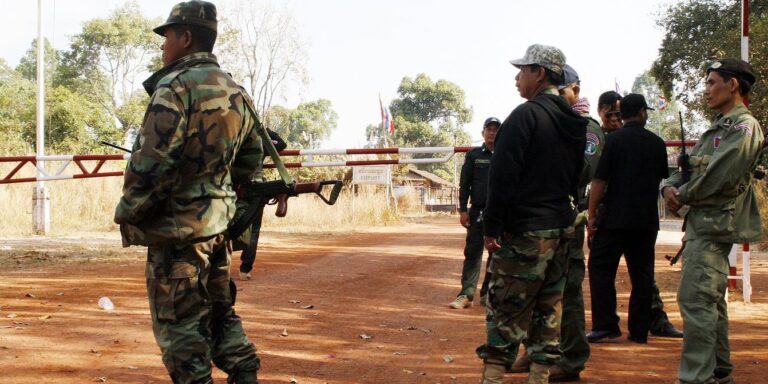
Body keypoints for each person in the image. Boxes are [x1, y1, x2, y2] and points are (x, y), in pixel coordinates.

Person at [113, 2, 262, 383]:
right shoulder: (237, 92)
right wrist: (220, 199)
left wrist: (130, 214)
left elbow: (150, 165)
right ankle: (245, 373)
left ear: (186, 37)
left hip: (178, 236)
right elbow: (252, 158)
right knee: (219, 313)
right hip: (217, 233)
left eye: (168, 37)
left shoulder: (174, 87)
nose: (164, 46)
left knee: (179, 326)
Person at [477, 44, 587, 384]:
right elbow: (578, 177)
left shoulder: (525, 115)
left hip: (525, 234)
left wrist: (491, 228)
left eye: (522, 71)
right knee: (548, 314)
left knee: (506, 315)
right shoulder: (575, 121)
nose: (516, 77)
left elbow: (503, 177)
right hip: (560, 233)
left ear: (540, 73)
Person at [663, 58, 763, 384]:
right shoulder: (715, 129)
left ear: (732, 85)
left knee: (695, 300)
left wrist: (684, 194)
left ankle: (696, 378)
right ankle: (719, 374)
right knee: (710, 302)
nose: (706, 90)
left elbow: (722, 176)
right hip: (702, 225)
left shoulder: (742, 127)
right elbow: (685, 169)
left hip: (714, 225)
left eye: (711, 82)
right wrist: (668, 187)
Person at [590, 92, 684, 341]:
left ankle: (606, 325)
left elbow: (599, 180)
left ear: (622, 114)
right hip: (645, 220)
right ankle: (640, 330)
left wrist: (591, 215)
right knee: (643, 276)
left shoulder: (611, 142)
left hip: (613, 218)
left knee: (601, 269)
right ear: (642, 112)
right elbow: (659, 176)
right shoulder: (656, 142)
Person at [450, 117, 500, 309]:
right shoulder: (473, 156)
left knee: (496, 253)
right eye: (489, 129)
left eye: (496, 130)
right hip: (477, 211)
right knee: (473, 252)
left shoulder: (506, 154)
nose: (492, 133)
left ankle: (488, 294)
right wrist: (463, 210)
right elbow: (465, 184)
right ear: (482, 133)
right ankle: (466, 294)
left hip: (498, 213)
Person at [237, 128, 287, 281]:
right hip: (255, 188)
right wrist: (264, 129)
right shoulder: (259, 140)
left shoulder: (233, 138)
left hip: (232, 188)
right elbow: (281, 144)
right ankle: (245, 269)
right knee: (254, 230)